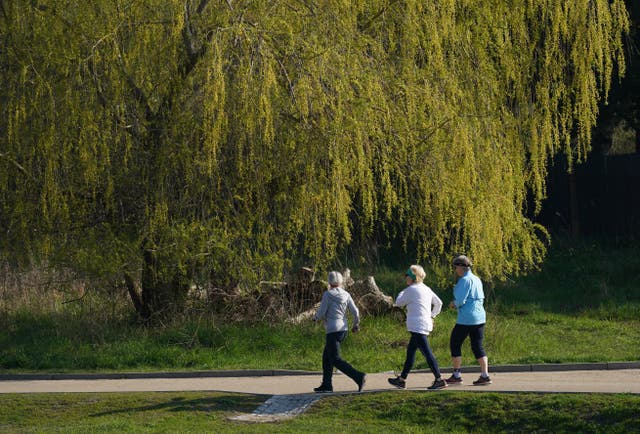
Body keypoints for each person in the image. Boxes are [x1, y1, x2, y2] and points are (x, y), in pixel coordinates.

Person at [388, 265, 447, 390]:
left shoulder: (410, 290)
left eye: (407, 275)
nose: (405, 278)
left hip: (417, 326)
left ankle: (439, 379)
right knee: (411, 353)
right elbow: (439, 303)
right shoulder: (426, 289)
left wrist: (402, 292)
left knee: (427, 353)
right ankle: (402, 380)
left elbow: (398, 303)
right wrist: (432, 315)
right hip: (423, 324)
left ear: (413, 277)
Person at [313, 271, 367, 393]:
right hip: (343, 330)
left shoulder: (327, 295)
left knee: (335, 359)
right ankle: (327, 384)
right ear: (341, 282)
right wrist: (356, 324)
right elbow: (356, 312)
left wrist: (315, 318)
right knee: (327, 357)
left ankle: (359, 376)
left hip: (332, 330)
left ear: (329, 282)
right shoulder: (346, 294)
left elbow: (321, 312)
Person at [446, 255, 492, 385]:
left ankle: (456, 375)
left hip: (467, 318)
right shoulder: (477, 279)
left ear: (461, 267)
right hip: (480, 317)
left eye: (456, 267)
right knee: (478, 346)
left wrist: (453, 303)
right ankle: (485, 375)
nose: (455, 270)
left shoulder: (464, 280)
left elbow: (460, 300)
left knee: (455, 343)